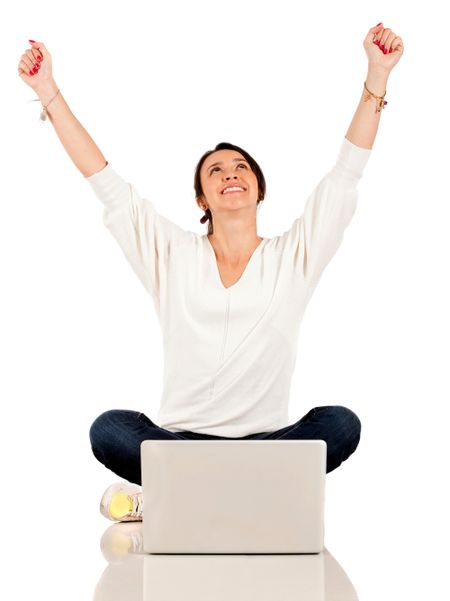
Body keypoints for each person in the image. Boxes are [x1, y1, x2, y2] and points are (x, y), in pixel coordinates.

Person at [18, 24, 404, 523]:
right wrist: (48, 91)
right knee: (108, 430)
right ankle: (243, 496)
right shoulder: (171, 254)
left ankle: (177, 498)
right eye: (216, 171)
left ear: (258, 189)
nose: (231, 175)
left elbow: (345, 175)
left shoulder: (295, 256)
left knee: (341, 423)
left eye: (241, 168)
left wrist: (377, 74)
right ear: (202, 198)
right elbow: (105, 182)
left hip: (265, 444)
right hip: (178, 444)